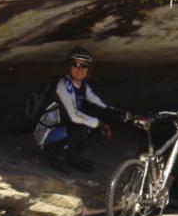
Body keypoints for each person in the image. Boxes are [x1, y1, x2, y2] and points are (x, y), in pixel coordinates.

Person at [33, 46, 131, 174]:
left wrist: (126, 115)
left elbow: (101, 106)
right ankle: (56, 157)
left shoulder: (83, 86)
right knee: (83, 127)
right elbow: (73, 116)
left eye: (84, 65)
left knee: (100, 129)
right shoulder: (63, 84)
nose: (80, 69)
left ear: (88, 69)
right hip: (47, 133)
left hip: (63, 128)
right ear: (69, 66)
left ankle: (71, 155)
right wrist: (98, 123)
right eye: (76, 64)